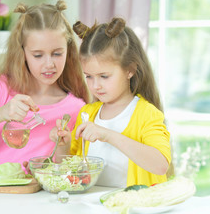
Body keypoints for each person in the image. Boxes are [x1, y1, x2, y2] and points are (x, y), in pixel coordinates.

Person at [0, 0, 90, 172]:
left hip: (41, 197)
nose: (49, 64)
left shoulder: (76, 108)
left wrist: (62, 149)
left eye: (57, 53)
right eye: (38, 55)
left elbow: (70, 169)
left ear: (68, 51)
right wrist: (2, 113)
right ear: (22, 52)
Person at [51, 17, 171, 187]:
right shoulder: (87, 113)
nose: (95, 85)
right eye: (89, 77)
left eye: (104, 76)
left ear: (130, 70)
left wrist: (107, 135)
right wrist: (63, 146)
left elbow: (160, 165)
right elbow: (70, 171)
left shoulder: (146, 114)